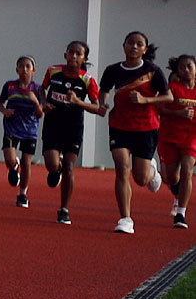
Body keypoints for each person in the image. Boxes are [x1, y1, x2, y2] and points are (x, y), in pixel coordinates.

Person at [97, 30, 173, 234]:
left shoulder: (153, 71)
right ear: (124, 46)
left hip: (146, 129)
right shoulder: (113, 70)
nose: (134, 47)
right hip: (119, 126)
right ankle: (125, 219)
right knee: (122, 168)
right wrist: (102, 103)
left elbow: (168, 97)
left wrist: (145, 100)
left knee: (140, 179)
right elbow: (104, 90)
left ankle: (151, 171)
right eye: (130, 43)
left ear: (145, 50)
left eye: (139, 44)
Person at [40, 40, 100, 225]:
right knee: (51, 164)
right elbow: (42, 89)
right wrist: (44, 103)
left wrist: (78, 102)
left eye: (78, 54)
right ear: (65, 55)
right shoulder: (53, 71)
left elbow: (97, 107)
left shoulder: (87, 80)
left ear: (84, 59)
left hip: (73, 127)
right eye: (71, 52)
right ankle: (55, 170)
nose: (74, 56)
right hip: (52, 124)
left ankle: (64, 209)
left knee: (69, 167)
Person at [0, 56, 44, 208]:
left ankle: (22, 194)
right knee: (9, 160)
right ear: (17, 70)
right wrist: (4, 111)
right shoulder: (9, 86)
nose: (24, 69)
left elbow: (40, 114)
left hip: (30, 131)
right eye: (21, 66)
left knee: (26, 162)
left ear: (33, 70)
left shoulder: (38, 89)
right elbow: (0, 102)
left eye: (28, 66)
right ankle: (13, 167)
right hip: (11, 127)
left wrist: (35, 102)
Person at [158, 53, 195, 229]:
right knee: (171, 177)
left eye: (189, 66)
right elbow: (159, 110)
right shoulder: (171, 88)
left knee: (187, 170)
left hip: (192, 138)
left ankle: (181, 213)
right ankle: (177, 190)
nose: (186, 70)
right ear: (177, 71)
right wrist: (178, 113)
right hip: (170, 137)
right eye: (182, 67)